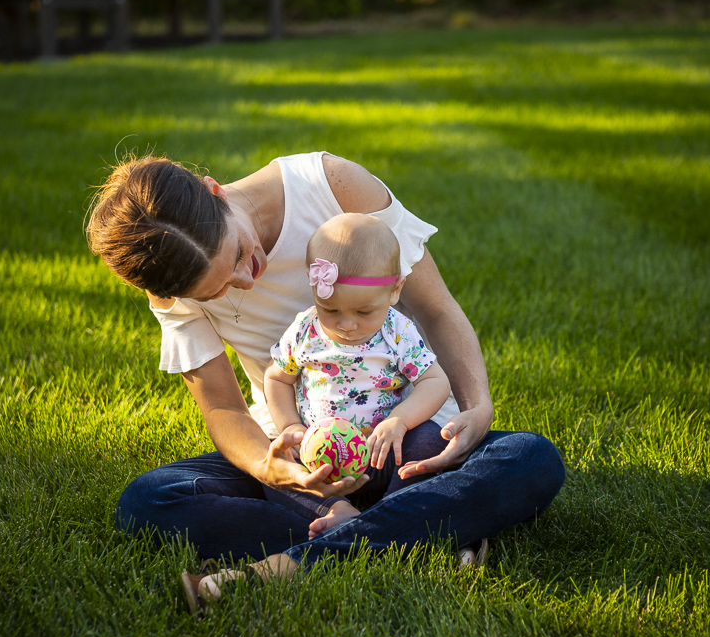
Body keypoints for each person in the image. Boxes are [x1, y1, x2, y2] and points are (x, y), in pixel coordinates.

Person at [86, 150, 565, 611]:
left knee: (531, 458)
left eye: (236, 255)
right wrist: (270, 468)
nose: (245, 281)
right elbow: (224, 409)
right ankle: (426, 529)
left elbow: (435, 309)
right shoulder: (169, 278)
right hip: (301, 457)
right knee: (147, 502)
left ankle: (279, 566)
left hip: (402, 445)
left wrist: (477, 407)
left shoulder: (329, 185)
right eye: (224, 289)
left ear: (217, 192)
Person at [263, 213, 452, 540]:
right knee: (272, 470)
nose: (346, 324)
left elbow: (435, 382)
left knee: (430, 439)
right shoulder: (306, 330)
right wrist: (290, 427)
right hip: (321, 463)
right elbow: (278, 378)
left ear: (395, 290)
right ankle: (337, 510)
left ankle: (391, 508)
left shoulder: (397, 332)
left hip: (384, 455)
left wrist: (401, 420)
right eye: (331, 310)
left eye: (364, 312)